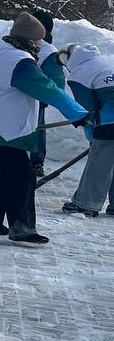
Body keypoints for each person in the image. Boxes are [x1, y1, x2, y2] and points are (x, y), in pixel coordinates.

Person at [0, 13, 87, 246]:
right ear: (28, 40)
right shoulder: (21, 61)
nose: (39, 45)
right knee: (21, 176)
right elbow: (47, 89)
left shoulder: (5, 52)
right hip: (5, 126)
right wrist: (78, 113)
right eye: (37, 41)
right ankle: (22, 229)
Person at [61, 44, 114, 218]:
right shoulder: (107, 60)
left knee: (100, 161)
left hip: (110, 120)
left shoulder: (79, 74)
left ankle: (86, 203)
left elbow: (85, 110)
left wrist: (92, 135)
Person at [29, 10, 68, 177]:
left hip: (36, 98)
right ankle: (31, 161)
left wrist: (43, 91)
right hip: (19, 95)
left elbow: (58, 82)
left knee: (36, 128)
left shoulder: (49, 52)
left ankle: (36, 162)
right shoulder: (23, 44)